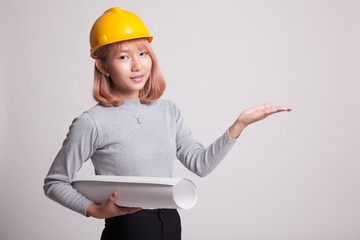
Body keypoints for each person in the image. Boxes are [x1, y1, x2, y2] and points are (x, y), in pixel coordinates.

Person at [43, 7, 291, 240]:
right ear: (103, 66)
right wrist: (93, 210)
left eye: (142, 53)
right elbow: (55, 182)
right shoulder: (92, 122)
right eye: (123, 57)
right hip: (128, 229)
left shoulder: (168, 111)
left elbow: (200, 165)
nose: (137, 65)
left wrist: (239, 125)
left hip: (171, 223)